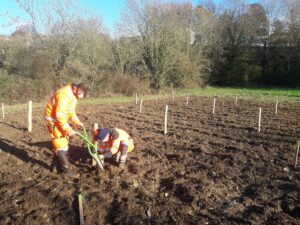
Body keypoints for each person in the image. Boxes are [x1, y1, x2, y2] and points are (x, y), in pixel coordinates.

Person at [44, 83, 90, 178]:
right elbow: (60, 114)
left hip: (58, 120)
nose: (83, 97)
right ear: (80, 90)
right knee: (61, 145)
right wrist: (68, 129)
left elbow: (70, 112)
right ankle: (66, 171)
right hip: (53, 120)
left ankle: (55, 167)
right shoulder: (65, 94)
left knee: (63, 143)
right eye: (84, 95)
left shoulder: (73, 95)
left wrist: (77, 122)